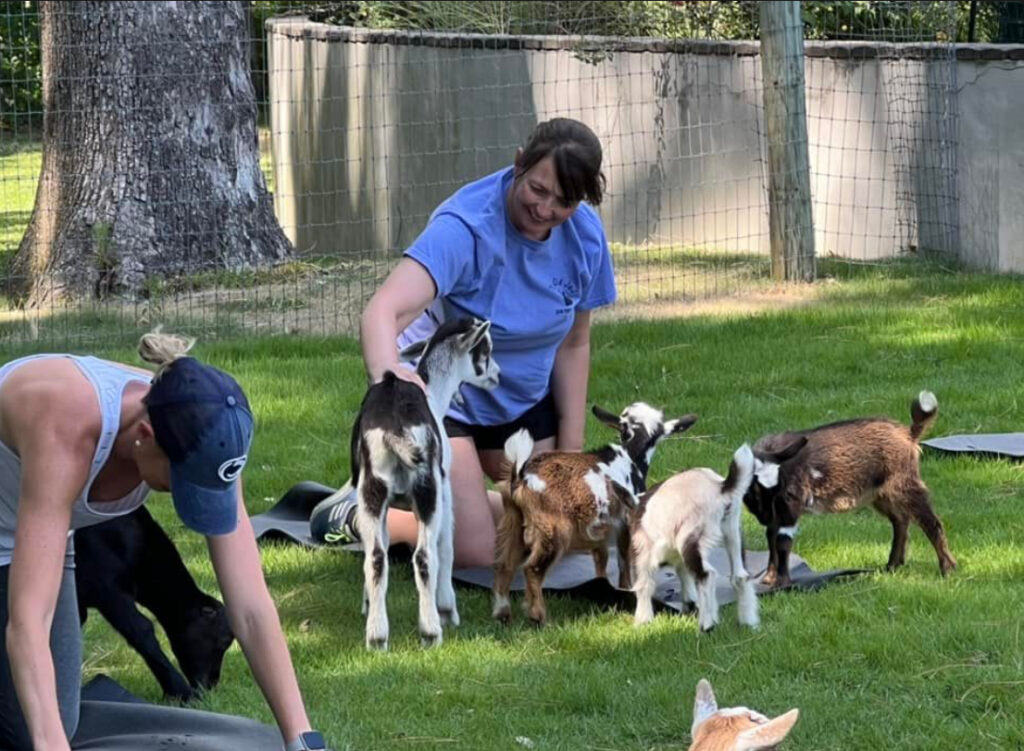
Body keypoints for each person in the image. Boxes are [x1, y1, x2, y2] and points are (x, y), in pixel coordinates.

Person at [0, 331, 329, 751]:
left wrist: (301, 738)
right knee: (34, 734)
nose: (183, 494)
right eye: (179, 482)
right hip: (20, 517)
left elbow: (250, 607)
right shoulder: (65, 429)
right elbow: (29, 621)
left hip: (35, 525)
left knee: (54, 717)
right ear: (144, 435)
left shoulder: (209, 433)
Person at [323, 117, 618, 568]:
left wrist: (570, 456)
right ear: (519, 163)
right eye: (538, 190)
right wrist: (390, 381)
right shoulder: (466, 226)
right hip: (449, 402)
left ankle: (465, 509)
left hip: (520, 398)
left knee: (561, 531)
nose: (545, 209)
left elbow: (574, 345)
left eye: (564, 201)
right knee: (479, 553)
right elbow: (383, 312)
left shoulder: (586, 239)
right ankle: (370, 515)